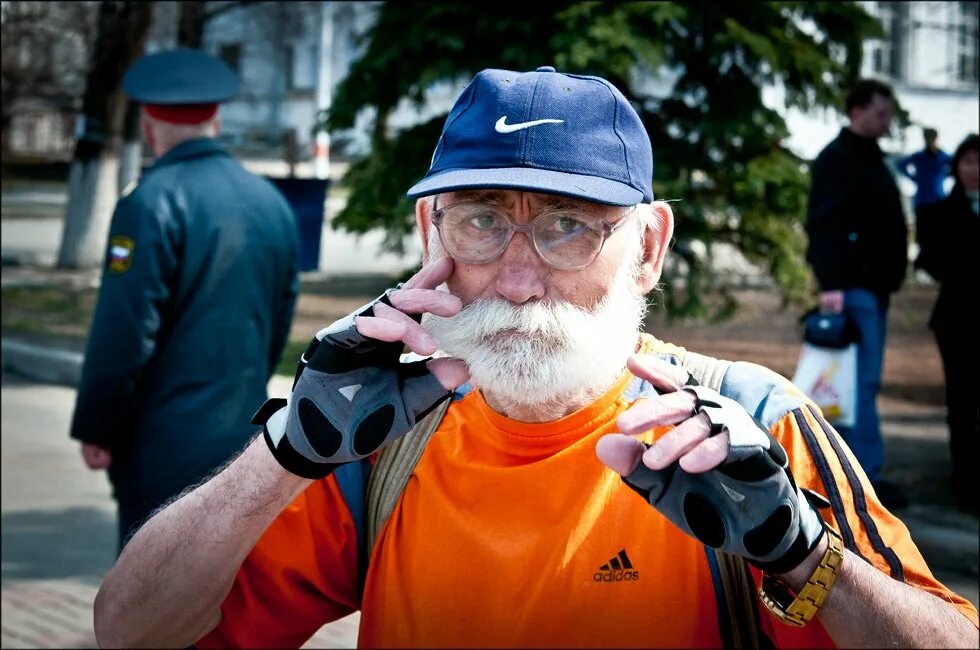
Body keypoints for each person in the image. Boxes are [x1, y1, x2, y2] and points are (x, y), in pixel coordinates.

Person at [93, 67, 978, 649]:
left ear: (648, 245)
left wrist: (801, 554)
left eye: (568, 227)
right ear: (428, 234)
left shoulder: (745, 428)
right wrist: (287, 449)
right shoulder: (376, 439)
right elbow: (130, 630)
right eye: (482, 219)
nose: (518, 278)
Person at [68, 49, 301, 551]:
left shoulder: (148, 202)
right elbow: (279, 318)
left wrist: (97, 423)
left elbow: (125, 331)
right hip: (244, 436)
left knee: (151, 604)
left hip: (161, 443)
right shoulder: (270, 202)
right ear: (216, 117)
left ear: (149, 121)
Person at [804, 79, 909, 509]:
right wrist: (832, 284)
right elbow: (824, 223)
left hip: (867, 285)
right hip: (851, 288)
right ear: (857, 111)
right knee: (854, 383)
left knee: (855, 382)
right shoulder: (840, 158)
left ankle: (854, 474)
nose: (887, 121)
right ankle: (860, 478)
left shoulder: (865, 157)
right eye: (881, 113)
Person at [914, 133, 980, 516]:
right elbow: (930, 260)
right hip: (956, 319)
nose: (974, 170)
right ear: (957, 168)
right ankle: (964, 484)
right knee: (961, 401)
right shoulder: (940, 211)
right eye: (968, 162)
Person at [896, 127, 953, 219]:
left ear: (936, 138)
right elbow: (901, 165)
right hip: (922, 202)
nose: (929, 140)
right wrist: (913, 178)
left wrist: (945, 176)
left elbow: (957, 165)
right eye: (926, 137)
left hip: (939, 200)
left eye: (931, 137)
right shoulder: (919, 156)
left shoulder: (943, 156)